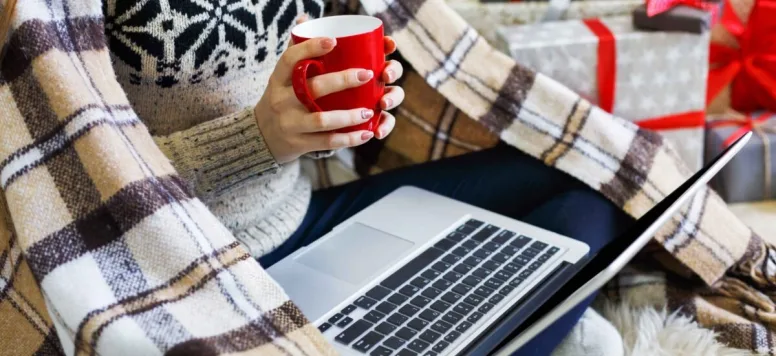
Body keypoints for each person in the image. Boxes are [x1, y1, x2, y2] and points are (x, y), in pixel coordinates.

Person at [1, 0, 632, 354]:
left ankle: (488, 326)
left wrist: (363, 106)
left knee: (595, 180)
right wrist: (258, 140)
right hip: (173, 269)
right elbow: (61, 186)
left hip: (307, 216)